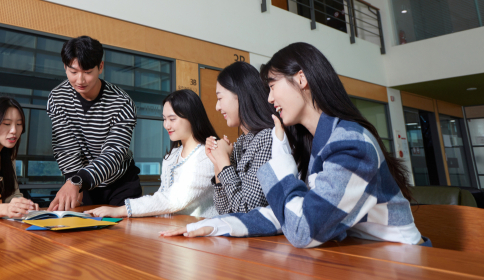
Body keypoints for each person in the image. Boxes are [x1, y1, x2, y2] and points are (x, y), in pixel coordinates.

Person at [162, 43, 428, 248]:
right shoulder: (319, 141)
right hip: (361, 256)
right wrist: (217, 226)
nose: (268, 97)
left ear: (301, 79)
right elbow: (287, 213)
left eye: (273, 85)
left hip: (402, 260)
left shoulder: (350, 144)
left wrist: (281, 163)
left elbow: (303, 229)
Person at [85, 89, 218, 219]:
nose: (166, 125)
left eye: (172, 119)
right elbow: (162, 196)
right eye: (164, 119)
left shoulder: (206, 156)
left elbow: (173, 199)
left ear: (192, 118)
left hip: (204, 234)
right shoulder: (172, 156)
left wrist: (122, 210)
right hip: (174, 229)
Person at [47, 36, 142, 211]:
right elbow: (66, 147)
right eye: (73, 72)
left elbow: (114, 153)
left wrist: (77, 181)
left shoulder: (122, 103)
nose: (80, 80)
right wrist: (74, 181)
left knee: (124, 236)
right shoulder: (57, 98)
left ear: (101, 67)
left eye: (88, 72)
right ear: (65, 67)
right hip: (83, 184)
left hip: (120, 184)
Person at [206, 61, 279, 214]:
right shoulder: (240, 143)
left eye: (220, 98)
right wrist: (218, 162)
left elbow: (247, 209)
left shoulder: (267, 138)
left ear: (240, 95)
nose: (217, 107)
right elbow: (224, 210)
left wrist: (224, 163)